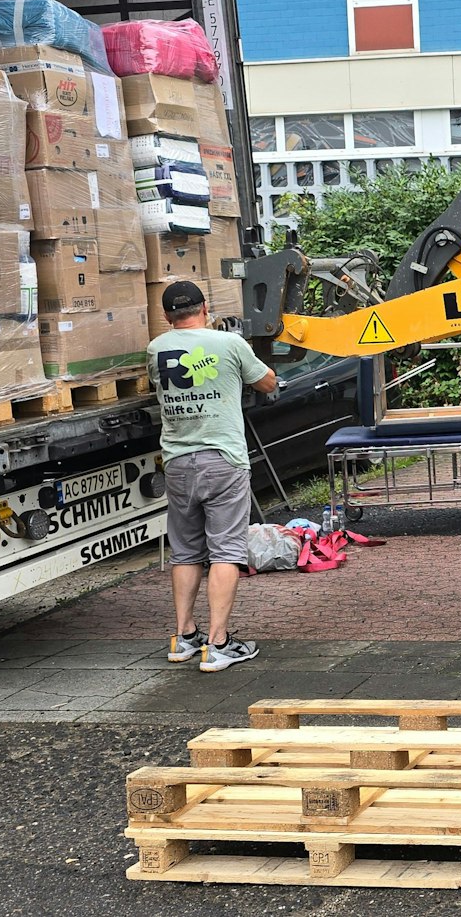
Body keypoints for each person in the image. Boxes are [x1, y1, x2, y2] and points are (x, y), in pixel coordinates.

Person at [149, 280, 278, 673]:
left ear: (167, 314)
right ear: (205, 307)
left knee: (185, 551)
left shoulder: (156, 349)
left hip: (177, 463)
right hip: (222, 460)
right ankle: (219, 643)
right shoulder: (229, 344)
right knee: (225, 551)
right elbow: (268, 382)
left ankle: (184, 636)